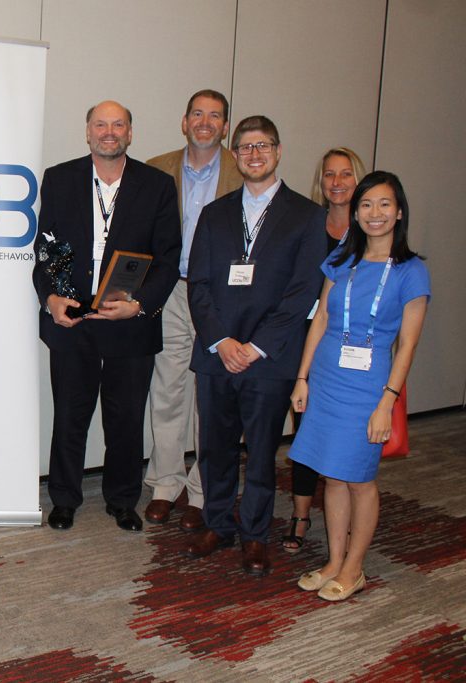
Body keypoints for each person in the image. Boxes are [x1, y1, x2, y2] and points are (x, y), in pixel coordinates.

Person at [184, 115, 327, 577]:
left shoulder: (307, 216)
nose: (253, 154)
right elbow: (199, 284)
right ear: (235, 154)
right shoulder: (215, 212)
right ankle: (219, 523)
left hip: (270, 358)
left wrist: (256, 347)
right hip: (217, 354)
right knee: (215, 448)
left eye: (262, 146)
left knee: (262, 453)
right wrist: (223, 341)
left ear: (278, 151)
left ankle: (255, 535)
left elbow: (303, 290)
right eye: (244, 147)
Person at [33, 100, 181, 532]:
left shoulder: (157, 186)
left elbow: (168, 258)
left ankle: (122, 500)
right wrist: (50, 299)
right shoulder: (59, 179)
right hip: (73, 318)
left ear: (130, 134)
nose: (109, 132)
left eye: (119, 125)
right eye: (101, 124)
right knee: (69, 415)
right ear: (88, 132)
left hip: (130, 321)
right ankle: (64, 498)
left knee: (125, 418)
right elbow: (45, 250)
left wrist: (142, 304)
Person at [290, 171, 429, 601]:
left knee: (359, 479)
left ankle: (354, 568)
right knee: (332, 477)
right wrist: (302, 377)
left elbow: (407, 345)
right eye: (366, 205)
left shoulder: (411, 271)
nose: (375, 213)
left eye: (385, 204)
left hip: (369, 388)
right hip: (327, 380)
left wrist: (387, 402)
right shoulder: (341, 261)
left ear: (399, 211)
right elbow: (323, 321)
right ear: (356, 212)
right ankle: (334, 559)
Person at [144, 89, 244, 532]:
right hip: (170, 292)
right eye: (197, 114)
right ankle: (166, 484)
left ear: (225, 126)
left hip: (221, 298)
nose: (205, 122)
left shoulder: (244, 172)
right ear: (184, 122)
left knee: (212, 397)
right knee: (167, 391)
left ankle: (203, 490)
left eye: (215, 116)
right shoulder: (155, 169)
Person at [282, 146, 367, 553]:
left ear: (358, 179)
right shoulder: (307, 222)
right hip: (304, 335)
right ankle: (300, 514)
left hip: (350, 345)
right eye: (329, 175)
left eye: (345, 174)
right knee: (306, 429)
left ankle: (350, 515)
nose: (336, 182)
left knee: (348, 434)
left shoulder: (370, 227)